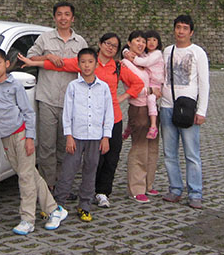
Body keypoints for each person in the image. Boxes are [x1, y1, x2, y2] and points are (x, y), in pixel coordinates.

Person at [20, 33, 144, 209]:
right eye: (107, 43)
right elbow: (60, 65)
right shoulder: (87, 62)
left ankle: (102, 192)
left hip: (112, 117)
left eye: (114, 46)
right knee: (92, 160)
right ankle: (86, 191)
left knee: (111, 158)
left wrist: (121, 98)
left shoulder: (118, 66)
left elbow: (137, 84)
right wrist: (34, 63)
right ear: (100, 44)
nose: (110, 47)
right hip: (88, 120)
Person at [0, 48, 67, 234]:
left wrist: (30, 138)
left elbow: (28, 112)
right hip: (5, 137)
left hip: (21, 134)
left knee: (25, 177)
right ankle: (54, 209)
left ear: (7, 64)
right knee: (28, 173)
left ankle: (27, 219)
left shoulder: (15, 85)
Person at [25, 2, 88, 190]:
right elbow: (30, 57)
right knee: (46, 146)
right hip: (47, 99)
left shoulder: (81, 42)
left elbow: (87, 66)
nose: (63, 18)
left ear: (73, 18)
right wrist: (48, 57)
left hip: (71, 102)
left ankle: (62, 184)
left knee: (65, 146)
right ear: (54, 17)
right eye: (59, 14)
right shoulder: (44, 39)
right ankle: (47, 185)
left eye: (67, 14)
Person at [49, 48, 113, 222]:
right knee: (68, 170)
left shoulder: (103, 87)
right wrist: (68, 135)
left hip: (95, 136)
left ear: (95, 64)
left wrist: (106, 136)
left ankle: (84, 205)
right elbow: (67, 112)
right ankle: (58, 204)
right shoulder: (73, 86)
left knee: (90, 170)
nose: (86, 65)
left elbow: (109, 113)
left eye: (90, 62)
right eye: (83, 62)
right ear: (78, 64)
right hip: (76, 136)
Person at [159, 14, 210, 209]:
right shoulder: (167, 51)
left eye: (184, 28)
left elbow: (204, 83)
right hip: (167, 106)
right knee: (169, 152)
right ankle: (175, 188)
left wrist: (202, 110)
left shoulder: (198, 53)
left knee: (191, 153)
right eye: (178, 27)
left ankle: (195, 192)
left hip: (188, 108)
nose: (181, 31)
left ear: (191, 32)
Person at [121, 30, 164, 202]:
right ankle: (136, 188)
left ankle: (148, 184)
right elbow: (132, 91)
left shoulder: (145, 59)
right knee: (139, 148)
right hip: (138, 110)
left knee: (152, 148)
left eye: (143, 41)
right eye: (136, 41)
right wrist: (151, 90)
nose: (141, 44)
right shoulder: (125, 64)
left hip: (152, 109)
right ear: (129, 43)